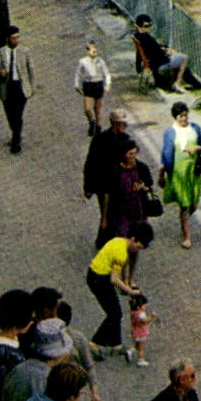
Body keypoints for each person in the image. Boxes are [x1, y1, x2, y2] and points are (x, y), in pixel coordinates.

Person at [87, 222, 153, 353]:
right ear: (133, 239)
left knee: (115, 310)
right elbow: (114, 279)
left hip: (95, 273)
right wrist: (131, 291)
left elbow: (122, 268)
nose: (137, 250)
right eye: (138, 246)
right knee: (114, 314)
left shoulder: (119, 241)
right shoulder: (121, 254)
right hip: (100, 280)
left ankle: (115, 343)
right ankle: (95, 342)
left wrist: (127, 282)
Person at [160, 101, 201, 249]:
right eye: (181, 116)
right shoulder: (170, 132)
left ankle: (185, 218)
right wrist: (162, 174)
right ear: (175, 117)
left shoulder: (195, 128)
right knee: (184, 204)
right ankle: (186, 236)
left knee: (194, 202)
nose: (184, 119)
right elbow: (165, 155)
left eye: (185, 115)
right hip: (178, 172)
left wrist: (196, 148)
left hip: (193, 171)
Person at [85, 110, 134, 247]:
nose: (125, 126)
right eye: (122, 123)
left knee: (115, 213)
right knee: (108, 213)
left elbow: (131, 162)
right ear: (115, 124)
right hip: (104, 185)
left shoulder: (126, 140)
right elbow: (90, 163)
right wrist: (88, 187)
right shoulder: (100, 140)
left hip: (120, 184)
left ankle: (104, 239)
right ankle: (105, 241)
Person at [0, 24, 36, 154]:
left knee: (18, 114)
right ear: (7, 39)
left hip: (20, 87)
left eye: (17, 37)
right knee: (10, 114)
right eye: (13, 38)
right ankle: (16, 132)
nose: (16, 40)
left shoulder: (25, 52)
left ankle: (16, 142)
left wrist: (32, 86)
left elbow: (31, 69)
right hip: (7, 87)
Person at [110, 141, 156, 240]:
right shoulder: (116, 169)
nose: (133, 156)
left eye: (134, 153)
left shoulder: (141, 167)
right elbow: (111, 189)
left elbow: (149, 185)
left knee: (138, 235)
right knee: (123, 234)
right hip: (121, 208)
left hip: (138, 207)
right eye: (130, 154)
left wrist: (142, 187)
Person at [133, 14, 191, 89]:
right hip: (160, 64)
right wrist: (167, 53)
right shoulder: (147, 38)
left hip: (153, 63)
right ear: (140, 27)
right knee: (185, 57)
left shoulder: (137, 36)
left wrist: (138, 68)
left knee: (173, 53)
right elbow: (160, 55)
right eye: (146, 26)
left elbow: (147, 51)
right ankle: (178, 82)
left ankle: (180, 81)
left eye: (149, 25)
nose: (149, 27)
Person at [74, 40, 112, 137]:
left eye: (95, 50)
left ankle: (98, 127)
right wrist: (77, 85)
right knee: (87, 109)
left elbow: (106, 73)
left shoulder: (100, 62)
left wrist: (107, 84)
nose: (94, 52)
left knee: (97, 108)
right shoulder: (83, 62)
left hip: (98, 84)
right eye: (92, 50)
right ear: (87, 51)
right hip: (88, 85)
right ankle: (92, 122)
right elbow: (78, 74)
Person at [129, 293, 157, 368]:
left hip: (135, 332)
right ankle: (140, 360)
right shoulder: (141, 314)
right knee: (141, 347)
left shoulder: (133, 312)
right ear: (139, 306)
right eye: (144, 306)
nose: (145, 307)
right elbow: (145, 321)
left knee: (137, 345)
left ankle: (130, 351)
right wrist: (152, 317)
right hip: (141, 333)